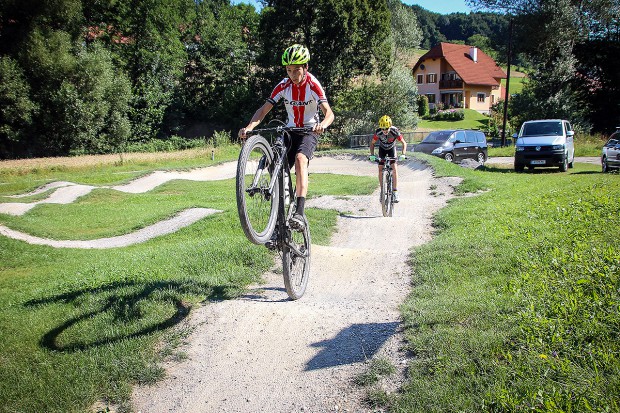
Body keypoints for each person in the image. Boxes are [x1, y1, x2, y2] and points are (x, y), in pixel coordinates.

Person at [238, 44, 334, 234]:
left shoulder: (313, 85)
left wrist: (322, 124)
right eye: (289, 70)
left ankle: (299, 212)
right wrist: (249, 127)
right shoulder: (283, 85)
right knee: (276, 164)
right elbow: (264, 110)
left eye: (296, 70)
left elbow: (329, 112)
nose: (292, 74)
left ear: (305, 67)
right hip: (290, 130)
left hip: (309, 131)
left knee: (300, 160)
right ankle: (276, 224)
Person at [369, 115, 407, 203]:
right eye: (382, 129)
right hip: (382, 149)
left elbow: (404, 143)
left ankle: (395, 192)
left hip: (391, 149)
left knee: (394, 167)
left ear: (390, 126)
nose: (384, 131)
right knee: (380, 168)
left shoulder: (395, 131)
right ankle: (382, 191)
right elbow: (372, 144)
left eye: (386, 128)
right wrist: (372, 155)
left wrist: (403, 154)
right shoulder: (378, 132)